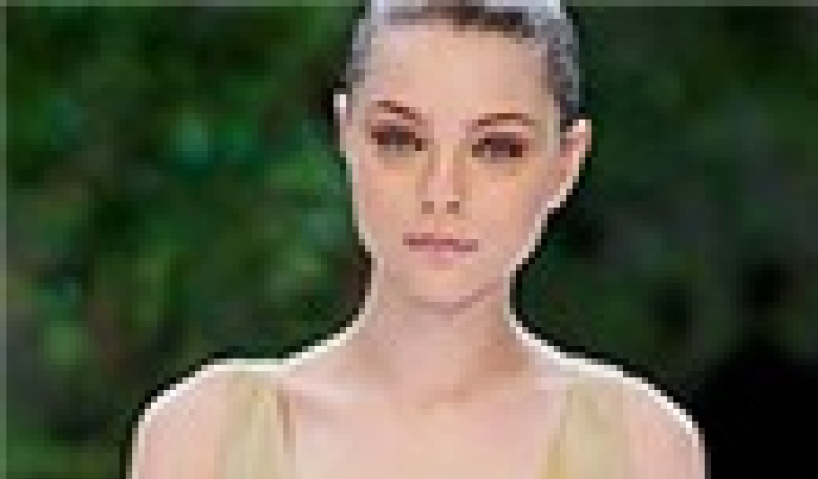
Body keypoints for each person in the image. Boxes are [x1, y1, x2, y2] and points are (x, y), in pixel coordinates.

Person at [128, 1, 707, 478]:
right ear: (346, 135)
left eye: (496, 148)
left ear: (566, 163)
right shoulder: (203, 438)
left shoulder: (641, 448)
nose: (441, 192)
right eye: (401, 140)